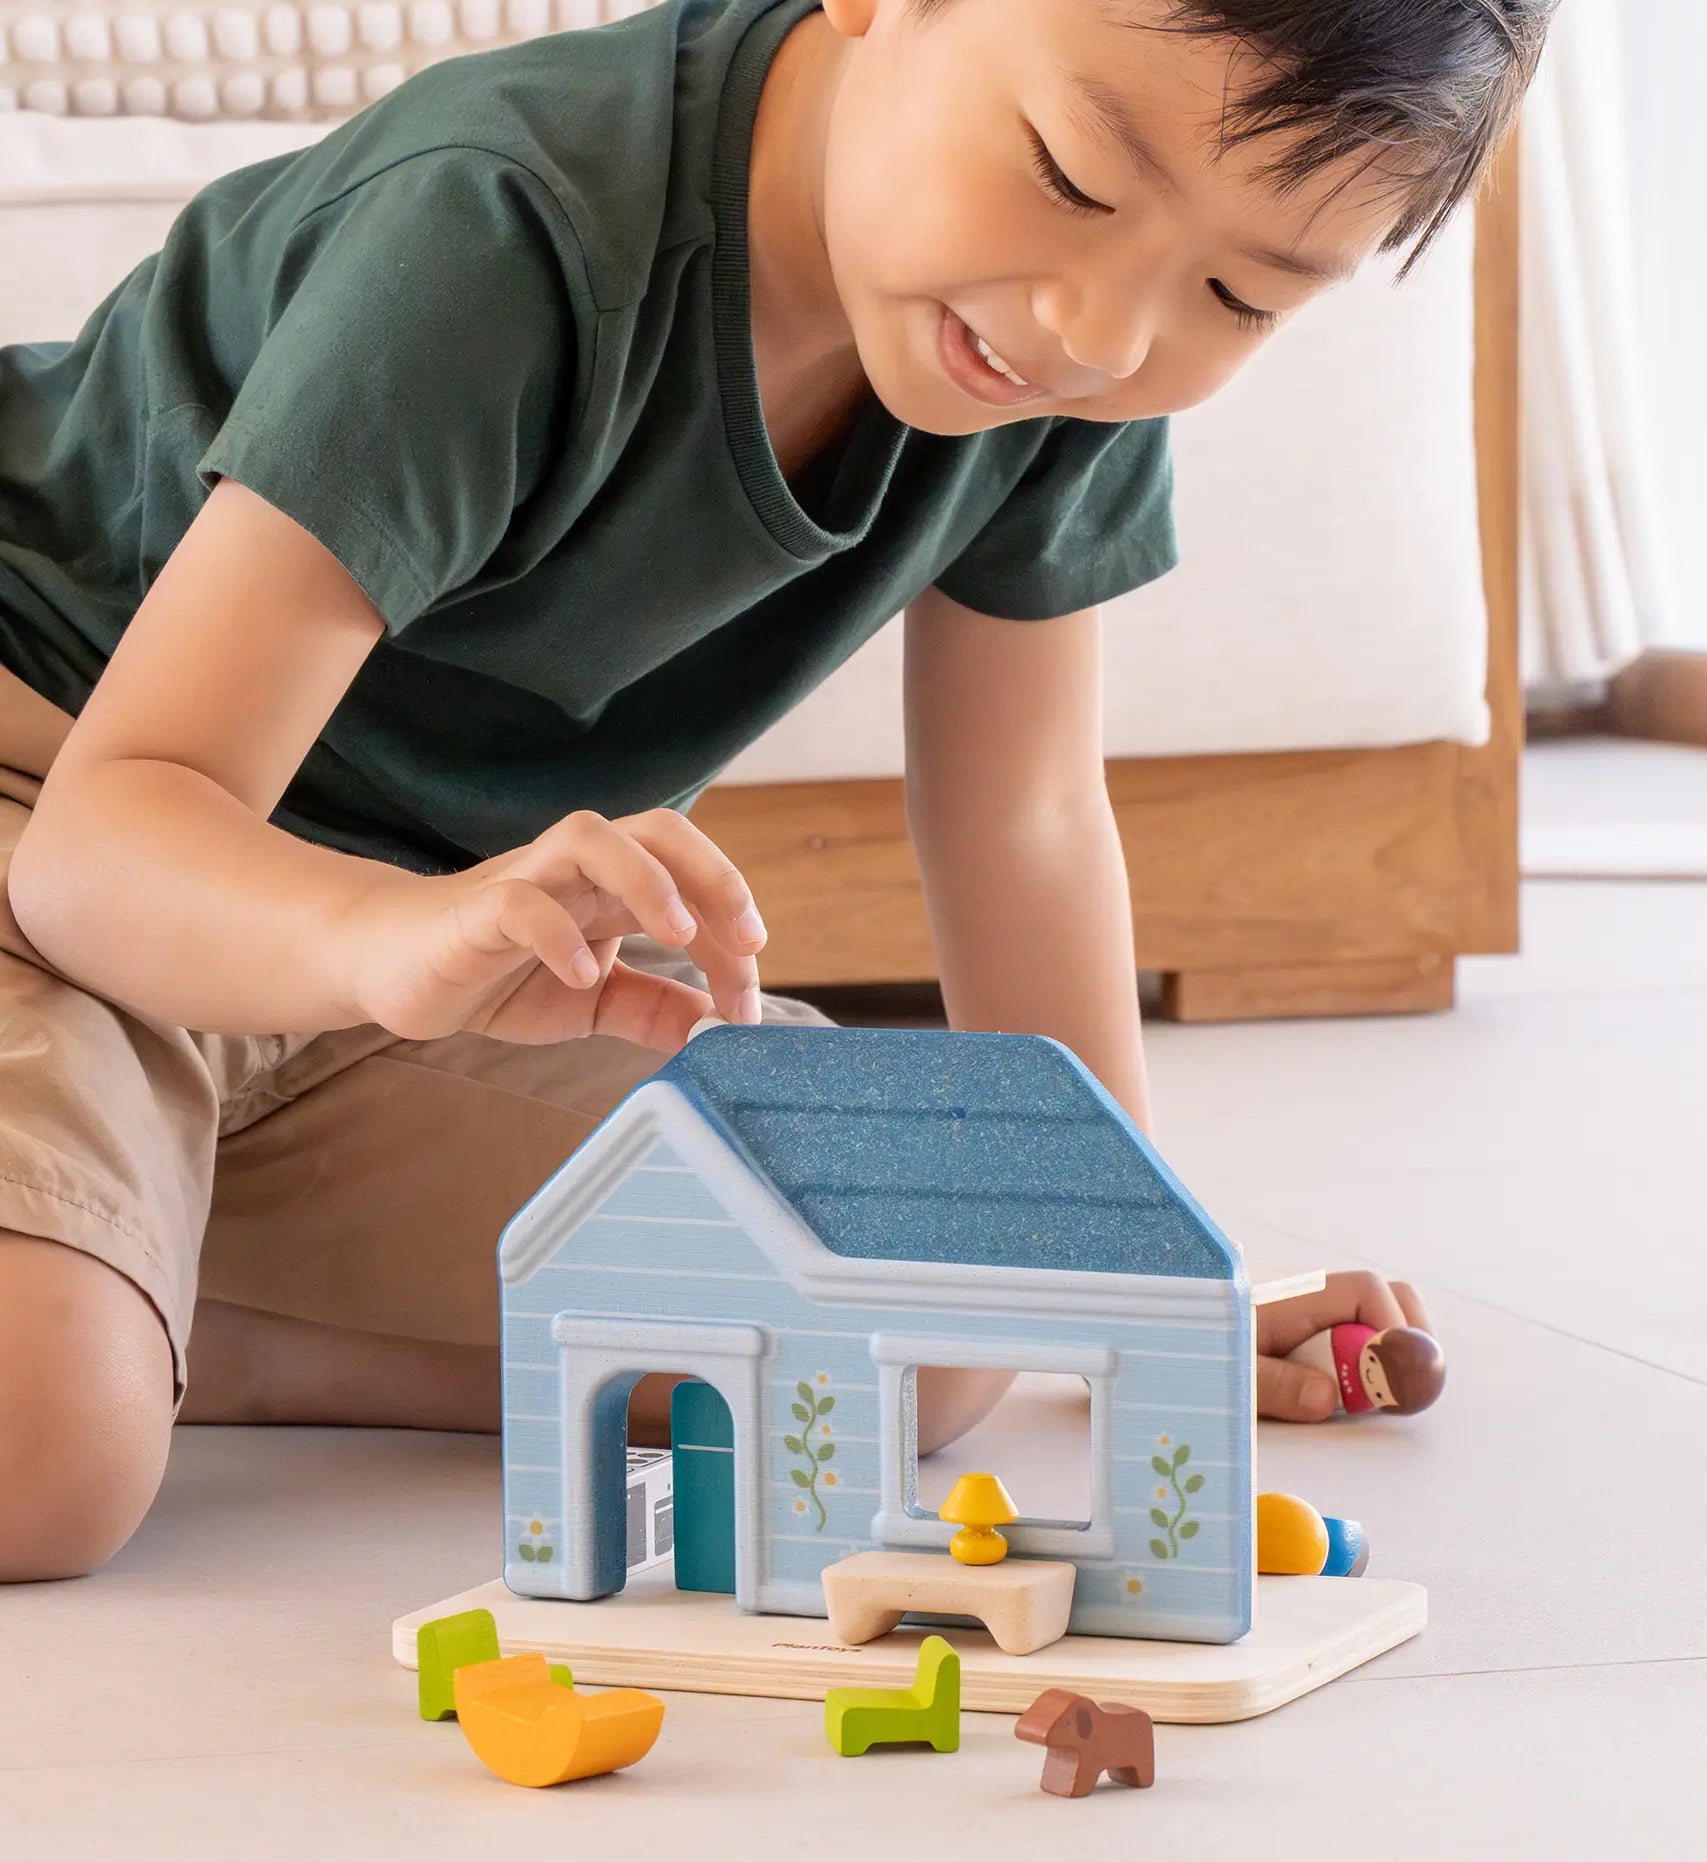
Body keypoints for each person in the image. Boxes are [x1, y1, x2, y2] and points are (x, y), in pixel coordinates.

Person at [0, 0, 1551, 1582]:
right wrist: (387, 934)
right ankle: (106, 1308)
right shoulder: (505, 224)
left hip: (420, 943)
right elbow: (100, 845)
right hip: (73, 810)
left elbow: (1023, 819)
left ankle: (213, 1334)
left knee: (958, 1315)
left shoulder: (1067, 381)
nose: (1099, 326)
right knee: (39, 1454)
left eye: (1237, 291)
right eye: (1075, 175)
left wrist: (1147, 1283)